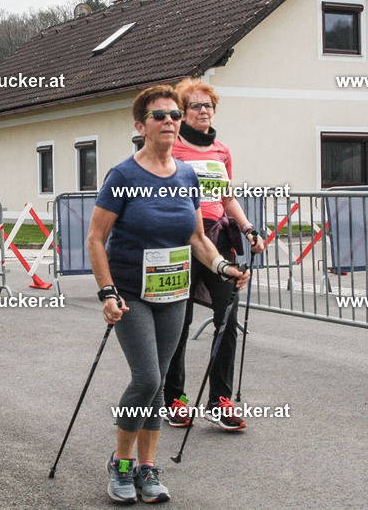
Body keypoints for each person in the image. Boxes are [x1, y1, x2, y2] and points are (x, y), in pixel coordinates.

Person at [88, 85, 250, 504]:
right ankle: (121, 463)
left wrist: (224, 268)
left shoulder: (186, 175)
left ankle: (147, 467)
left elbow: (198, 238)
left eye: (174, 115)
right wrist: (106, 292)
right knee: (147, 379)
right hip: (131, 292)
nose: (169, 121)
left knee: (158, 384)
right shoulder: (123, 176)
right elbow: (96, 237)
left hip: (173, 291)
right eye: (159, 115)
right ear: (140, 125)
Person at [164, 79, 265, 432]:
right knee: (179, 321)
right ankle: (174, 399)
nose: (203, 111)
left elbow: (226, 197)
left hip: (217, 241)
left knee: (227, 316)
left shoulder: (222, 150)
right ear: (182, 112)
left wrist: (249, 228)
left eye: (208, 105)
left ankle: (220, 401)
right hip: (180, 239)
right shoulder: (172, 147)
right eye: (195, 106)